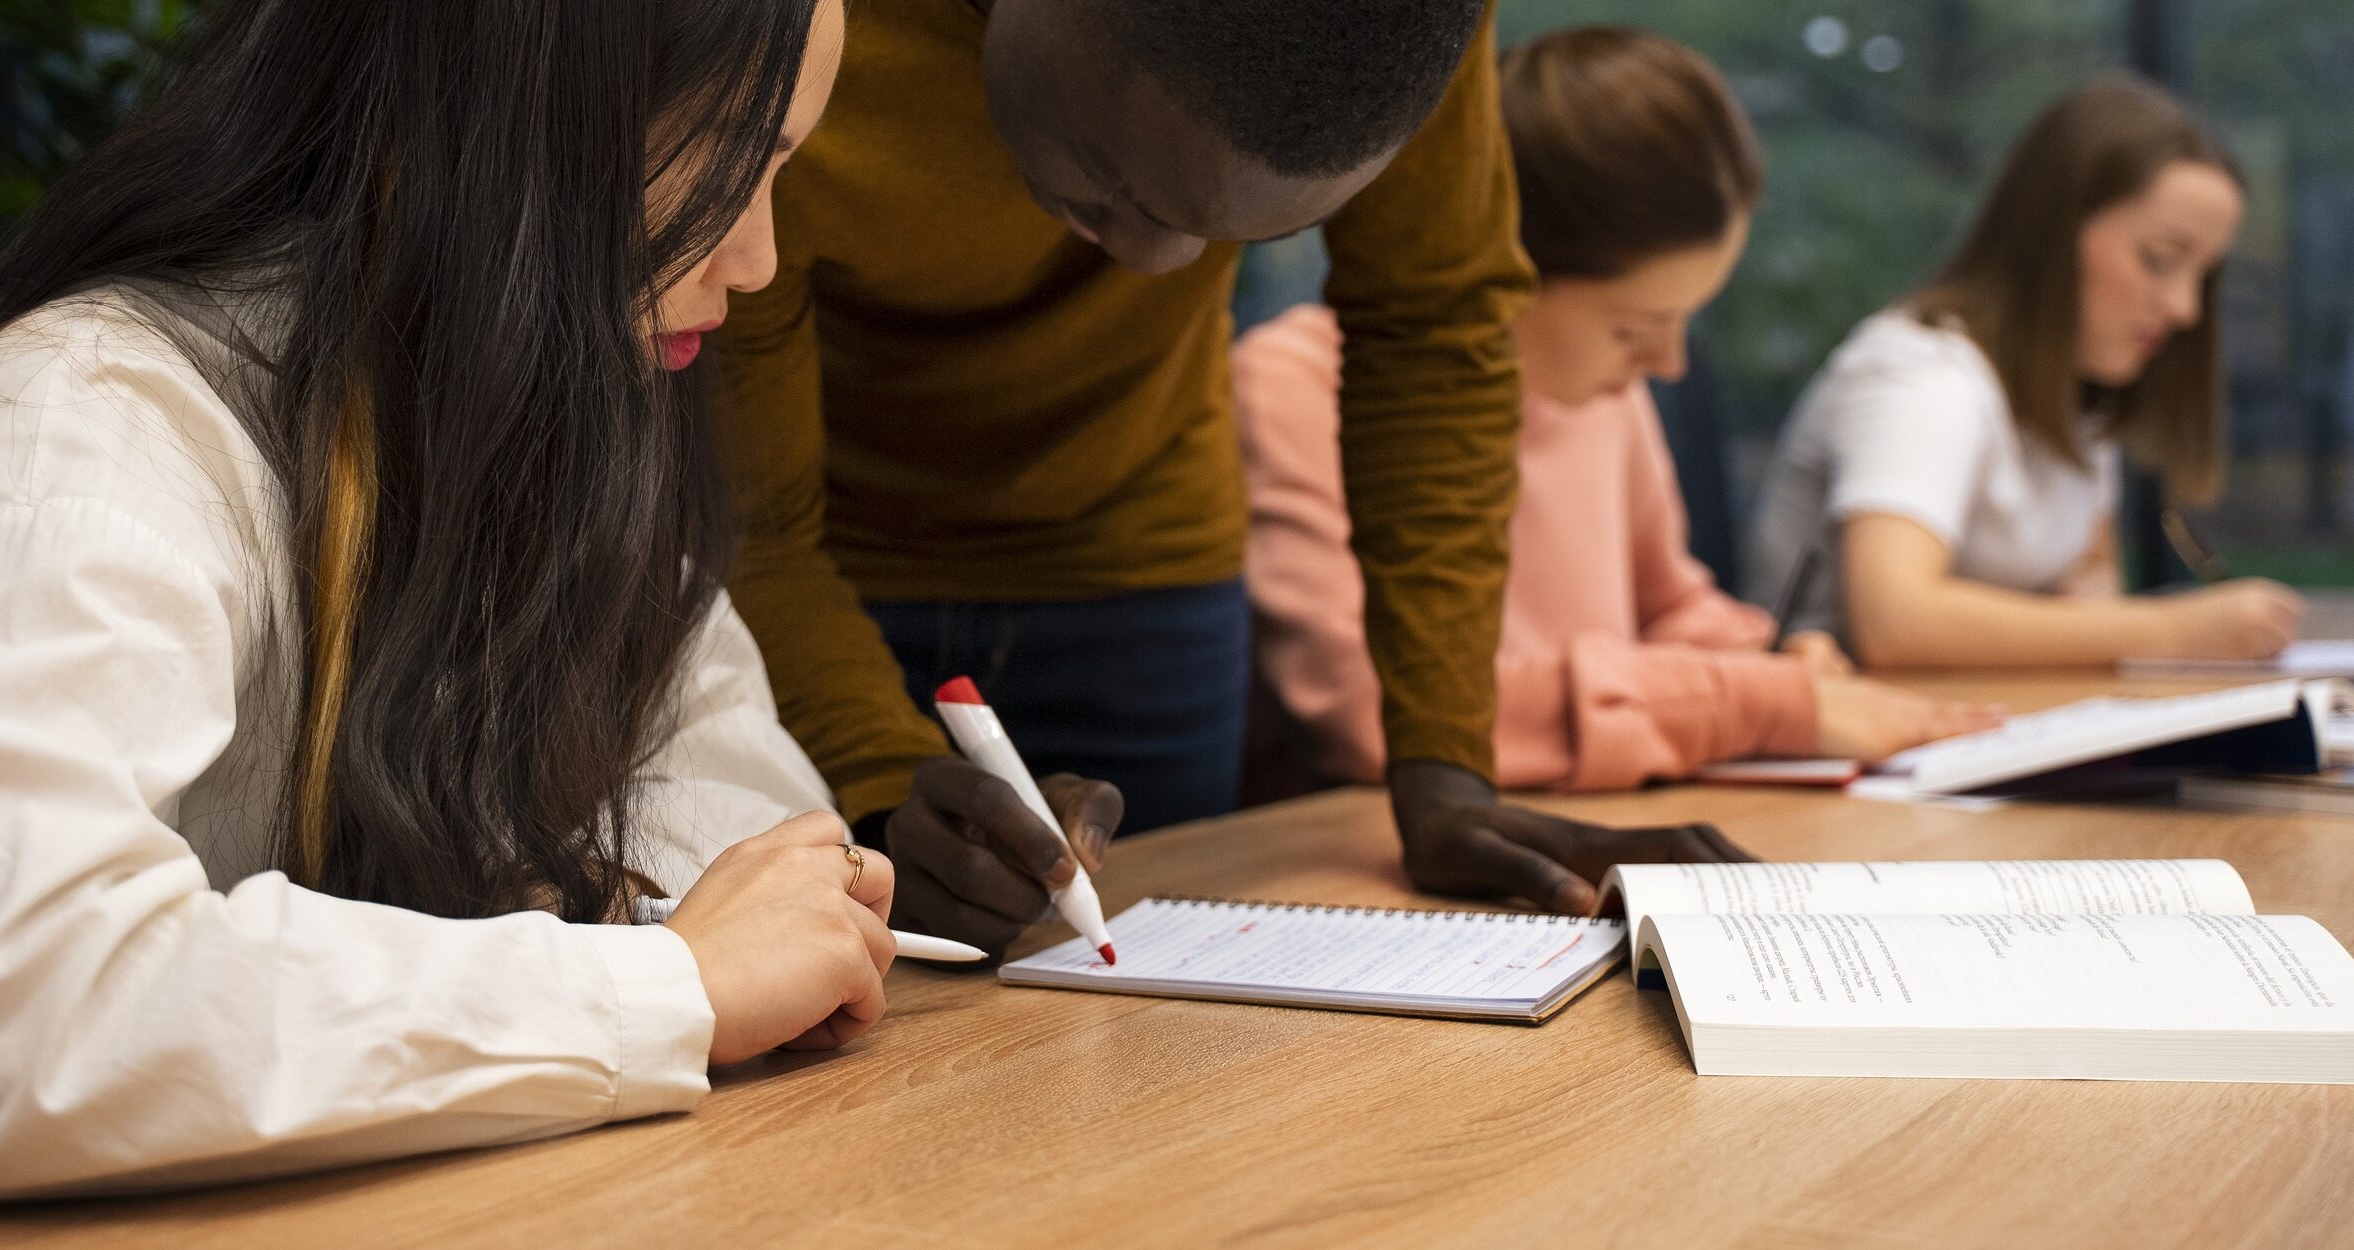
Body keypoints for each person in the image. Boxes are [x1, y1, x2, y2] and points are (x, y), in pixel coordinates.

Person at [0, 0, 897, 1199]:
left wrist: (678, 926)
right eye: (727, 153)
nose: (757, 257)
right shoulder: (91, 419)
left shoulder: (542, 421)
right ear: (512, 121)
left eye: (781, 168)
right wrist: (659, 983)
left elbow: (735, 810)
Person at [717, 0, 1743, 938]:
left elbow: (1432, 325)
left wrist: (1443, 764)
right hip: (792, 569)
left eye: (1229, 231)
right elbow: (749, 517)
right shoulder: (790, 24)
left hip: (1141, 568)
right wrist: (878, 778)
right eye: (1109, 181)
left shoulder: (1400, 23)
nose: (1150, 266)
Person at [1234, 27, 2000, 793]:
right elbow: (1379, 715)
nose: (1666, 367)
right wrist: (1752, 704)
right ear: (1503, 269)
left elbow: (1663, 608)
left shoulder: (1610, 394)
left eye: (1685, 324)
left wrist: (1765, 658)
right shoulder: (1291, 390)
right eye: (1633, 330)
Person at [1745, 75, 2302, 667]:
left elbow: (2090, 603)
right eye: (2159, 260)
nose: (2185, 308)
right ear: (2053, 234)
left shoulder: (2081, 403)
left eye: (2204, 276)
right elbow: (1894, 621)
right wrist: (2173, 626)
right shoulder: (1924, 374)